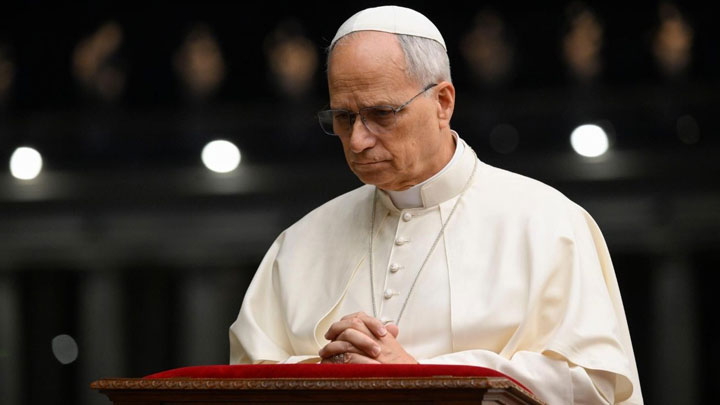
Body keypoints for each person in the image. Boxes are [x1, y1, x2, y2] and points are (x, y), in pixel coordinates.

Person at [229, 5, 642, 404]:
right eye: (343, 117)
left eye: (381, 113)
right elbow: (239, 384)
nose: (357, 141)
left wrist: (417, 377)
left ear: (443, 102)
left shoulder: (550, 223)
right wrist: (333, 374)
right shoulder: (298, 244)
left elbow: (593, 387)